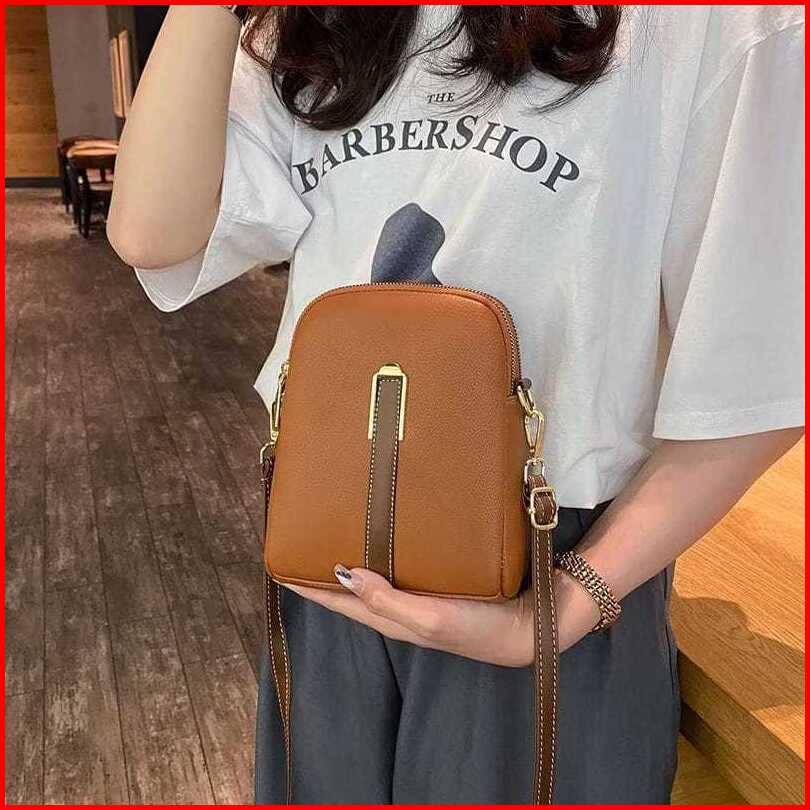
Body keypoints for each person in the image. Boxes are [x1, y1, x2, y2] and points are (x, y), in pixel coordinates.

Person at [107, 5, 805, 804]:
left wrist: (567, 604)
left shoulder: (713, 24)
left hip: (550, 561)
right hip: (328, 548)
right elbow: (152, 231)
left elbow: (761, 373)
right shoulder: (319, 22)